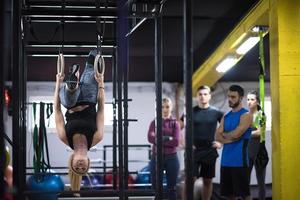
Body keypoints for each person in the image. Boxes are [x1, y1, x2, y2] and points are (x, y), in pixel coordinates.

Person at [54, 49, 105, 192]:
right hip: (89, 98)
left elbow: (57, 111)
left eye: (77, 167)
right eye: (84, 167)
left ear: (72, 161)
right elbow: (101, 110)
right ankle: (75, 77)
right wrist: (101, 84)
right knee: (93, 58)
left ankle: (72, 84)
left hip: (71, 102)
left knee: (69, 100)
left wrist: (58, 83)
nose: (81, 165)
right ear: (89, 162)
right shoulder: (97, 137)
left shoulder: (65, 138)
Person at [216, 85, 253, 200]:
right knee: (229, 195)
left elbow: (237, 134)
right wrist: (230, 137)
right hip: (226, 162)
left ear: (241, 98)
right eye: (228, 96)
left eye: (233, 97)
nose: (230, 99)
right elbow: (217, 136)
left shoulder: (246, 115)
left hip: (240, 162)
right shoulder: (226, 116)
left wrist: (225, 135)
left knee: (245, 195)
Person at [190, 85, 223, 200]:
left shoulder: (217, 112)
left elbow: (227, 128)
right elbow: (179, 126)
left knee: (207, 181)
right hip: (194, 150)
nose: (202, 97)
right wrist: (185, 143)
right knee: (191, 180)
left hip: (209, 150)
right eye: (200, 94)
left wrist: (220, 142)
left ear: (209, 96)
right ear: (196, 96)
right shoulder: (191, 111)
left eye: (205, 94)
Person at [148, 97, 180, 200]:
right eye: (162, 107)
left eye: (167, 107)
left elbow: (176, 141)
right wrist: (167, 138)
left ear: (171, 108)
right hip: (156, 157)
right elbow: (150, 138)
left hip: (172, 158)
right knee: (156, 187)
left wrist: (159, 140)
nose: (165, 110)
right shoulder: (154, 123)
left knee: (172, 188)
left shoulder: (175, 123)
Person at [247, 90, 267, 200]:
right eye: (248, 99)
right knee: (245, 182)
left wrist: (245, 133)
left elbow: (260, 132)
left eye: (252, 99)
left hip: (259, 153)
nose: (249, 102)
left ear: (257, 102)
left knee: (261, 183)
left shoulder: (261, 114)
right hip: (247, 152)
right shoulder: (244, 115)